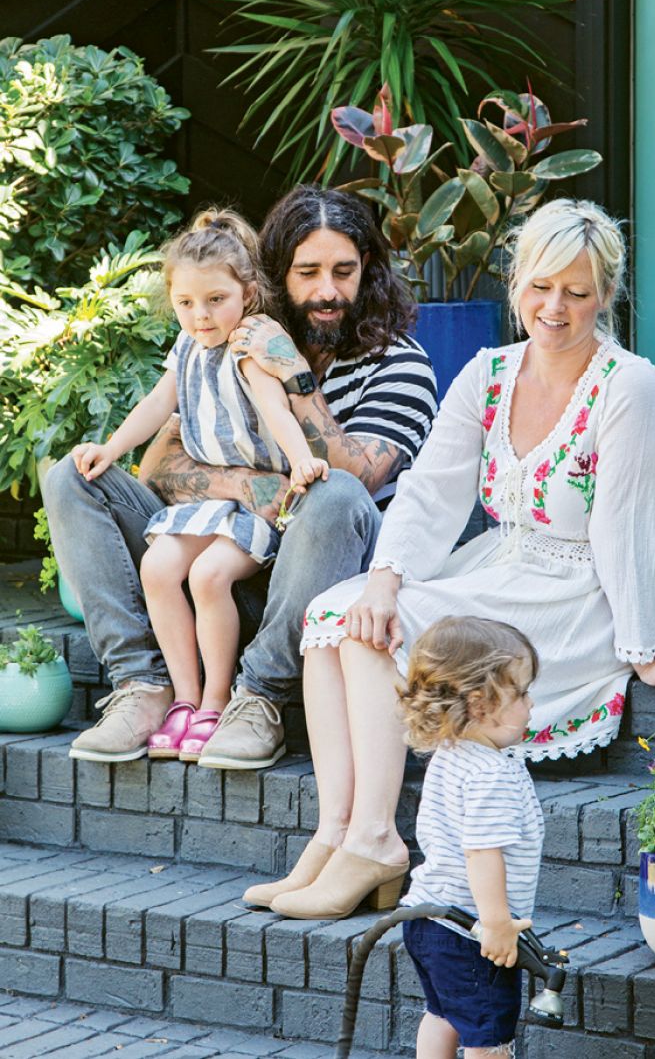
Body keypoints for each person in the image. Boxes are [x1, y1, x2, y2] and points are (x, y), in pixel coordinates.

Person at [245, 197, 655, 918]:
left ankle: (376, 839)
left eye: (577, 293)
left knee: (355, 625)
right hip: (497, 566)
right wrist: (387, 580)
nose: (554, 307)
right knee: (340, 610)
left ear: (606, 296)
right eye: (539, 287)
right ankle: (335, 834)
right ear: (515, 283)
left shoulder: (631, 387)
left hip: (569, 595)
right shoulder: (490, 372)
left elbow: (626, 527)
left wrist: (644, 648)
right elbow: (429, 495)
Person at [43, 185, 437, 766]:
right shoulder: (221, 337)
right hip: (214, 563)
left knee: (334, 493)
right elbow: (158, 471)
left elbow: (358, 482)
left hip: (313, 583)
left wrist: (296, 378)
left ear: (369, 271)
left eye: (344, 271)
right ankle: (142, 686)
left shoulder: (401, 364)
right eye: (308, 272)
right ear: (273, 275)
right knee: (71, 476)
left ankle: (260, 698)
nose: (327, 291)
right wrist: (254, 488)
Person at [69, 209, 329, 762]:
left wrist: (303, 459)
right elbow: (158, 404)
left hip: (254, 508)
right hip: (205, 504)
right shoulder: (186, 348)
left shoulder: (249, 348)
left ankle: (216, 702)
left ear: (247, 294)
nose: (200, 315)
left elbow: (276, 410)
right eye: (186, 303)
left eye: (215, 300)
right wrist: (110, 449)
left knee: (210, 576)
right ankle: (182, 700)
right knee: (159, 568)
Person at [397, 617, 544, 1059]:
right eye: (520, 693)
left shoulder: (452, 753)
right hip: (470, 932)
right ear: (480, 705)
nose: (531, 704)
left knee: (443, 1014)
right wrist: (496, 924)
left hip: (427, 920)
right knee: (488, 1033)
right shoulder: (489, 773)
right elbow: (482, 852)